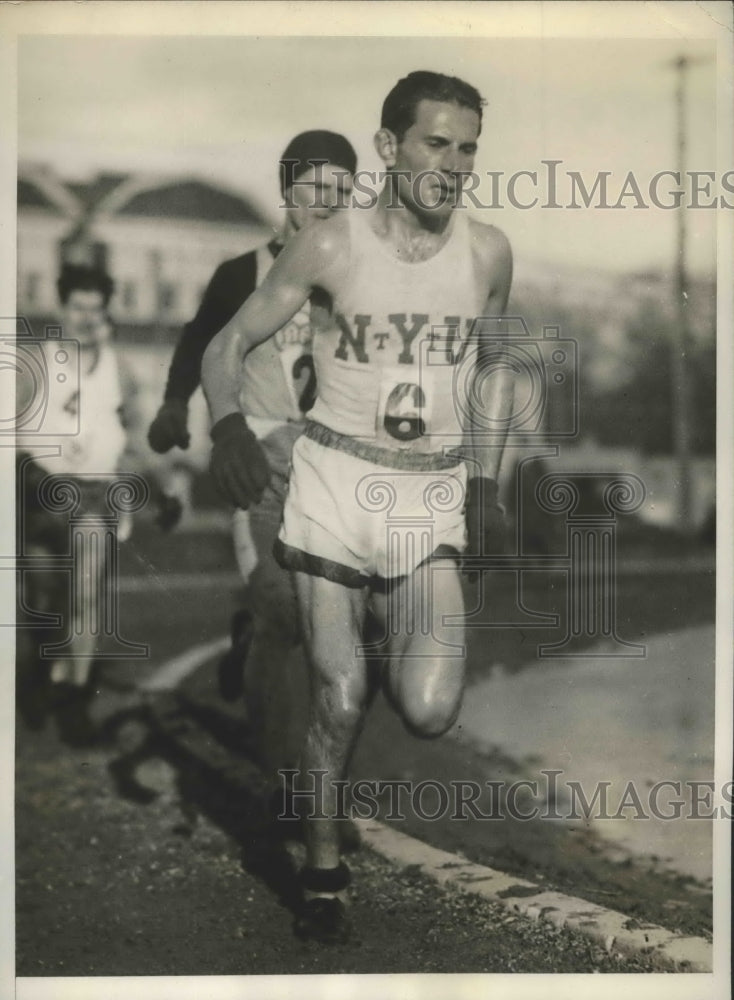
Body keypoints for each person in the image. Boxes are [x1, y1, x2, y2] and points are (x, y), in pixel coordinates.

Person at [202, 70, 515, 944]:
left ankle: (374, 633)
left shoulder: (487, 252)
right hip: (335, 482)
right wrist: (228, 425)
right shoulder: (331, 246)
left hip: (428, 497)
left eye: (466, 149)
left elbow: (494, 373)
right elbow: (230, 341)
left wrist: (489, 480)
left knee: (426, 707)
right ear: (388, 147)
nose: (449, 165)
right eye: (433, 143)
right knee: (338, 695)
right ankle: (322, 870)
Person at [147, 131, 357, 786]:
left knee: (351, 633)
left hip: (336, 464)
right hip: (259, 460)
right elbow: (199, 341)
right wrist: (177, 405)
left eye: (344, 192)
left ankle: (323, 786)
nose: (329, 202)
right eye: (316, 187)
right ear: (286, 189)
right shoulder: (242, 273)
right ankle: (285, 788)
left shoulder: (355, 277)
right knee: (283, 615)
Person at [16, 263, 174, 745]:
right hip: (42, 492)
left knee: (85, 594)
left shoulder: (117, 367)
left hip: (95, 495)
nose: (87, 318)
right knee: (45, 600)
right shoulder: (35, 363)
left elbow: (140, 432)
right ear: (62, 308)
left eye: (96, 309)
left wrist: (165, 483)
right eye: (78, 307)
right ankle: (43, 675)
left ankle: (74, 701)